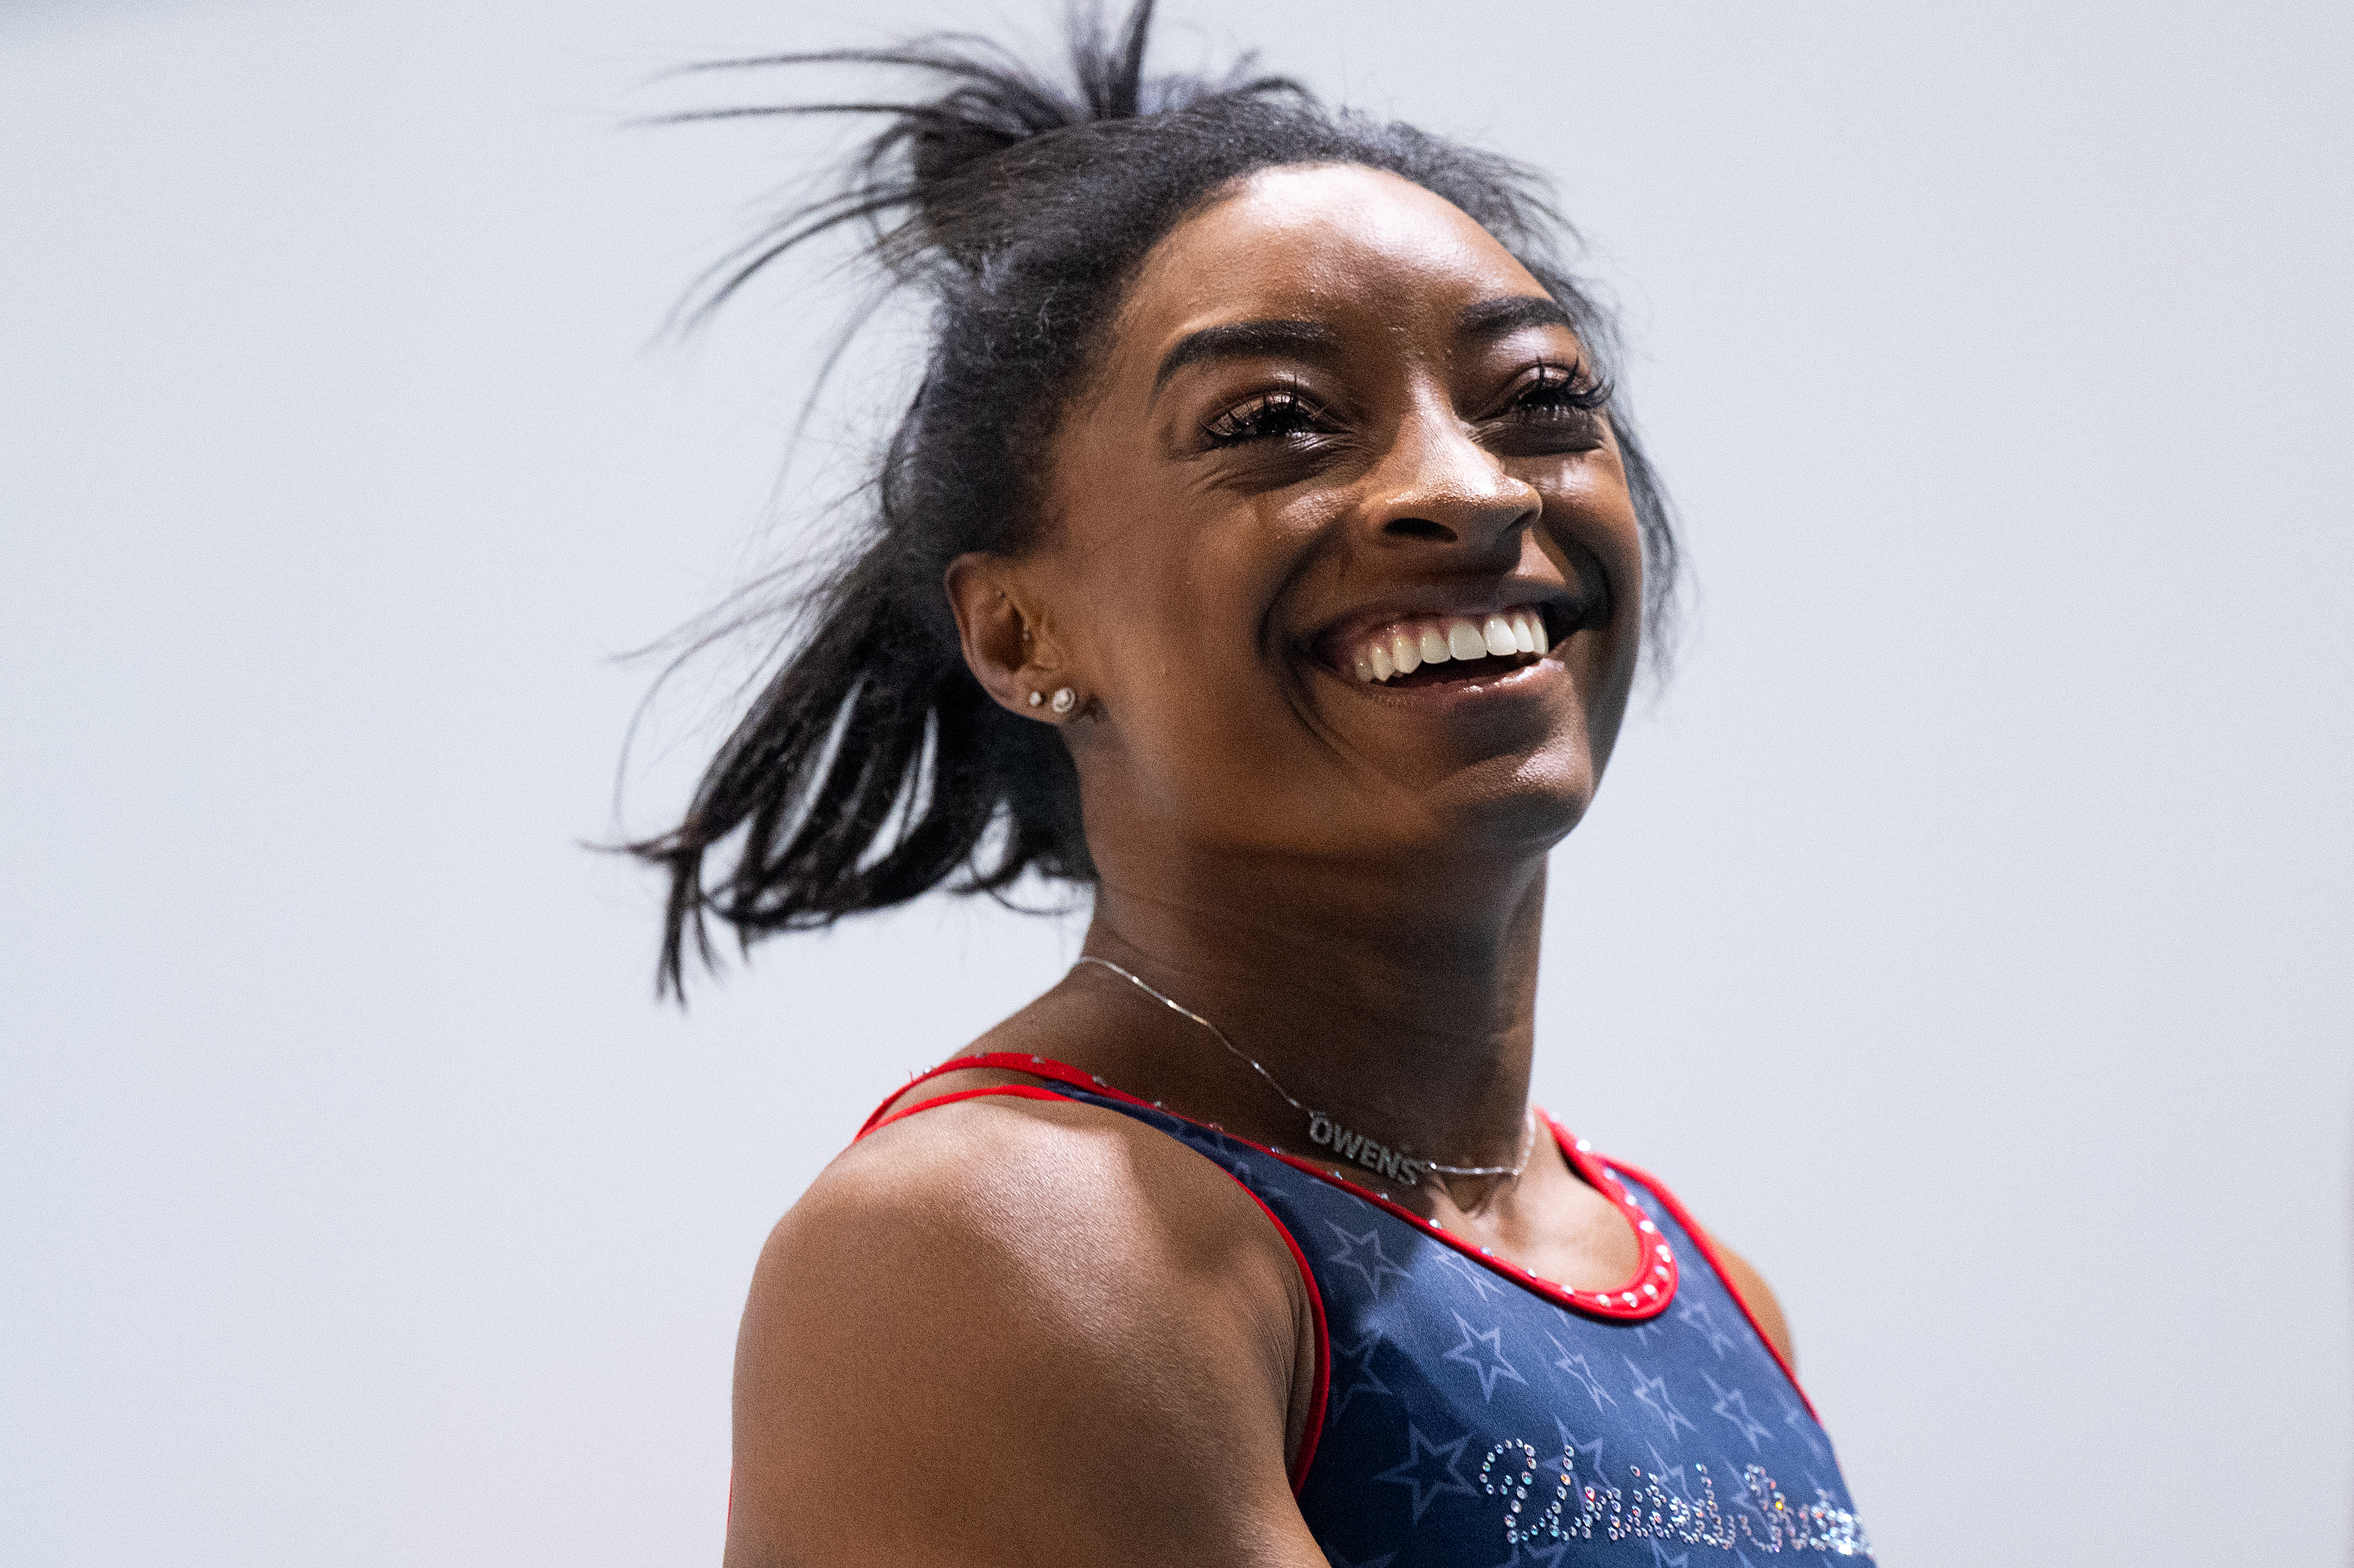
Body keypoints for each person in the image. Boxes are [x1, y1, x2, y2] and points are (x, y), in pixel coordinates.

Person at [635, 4, 1873, 1562]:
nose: (1466, 488)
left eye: (1539, 400)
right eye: (1276, 423)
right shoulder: (1005, 1239)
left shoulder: (1698, 1281)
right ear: (1022, 632)